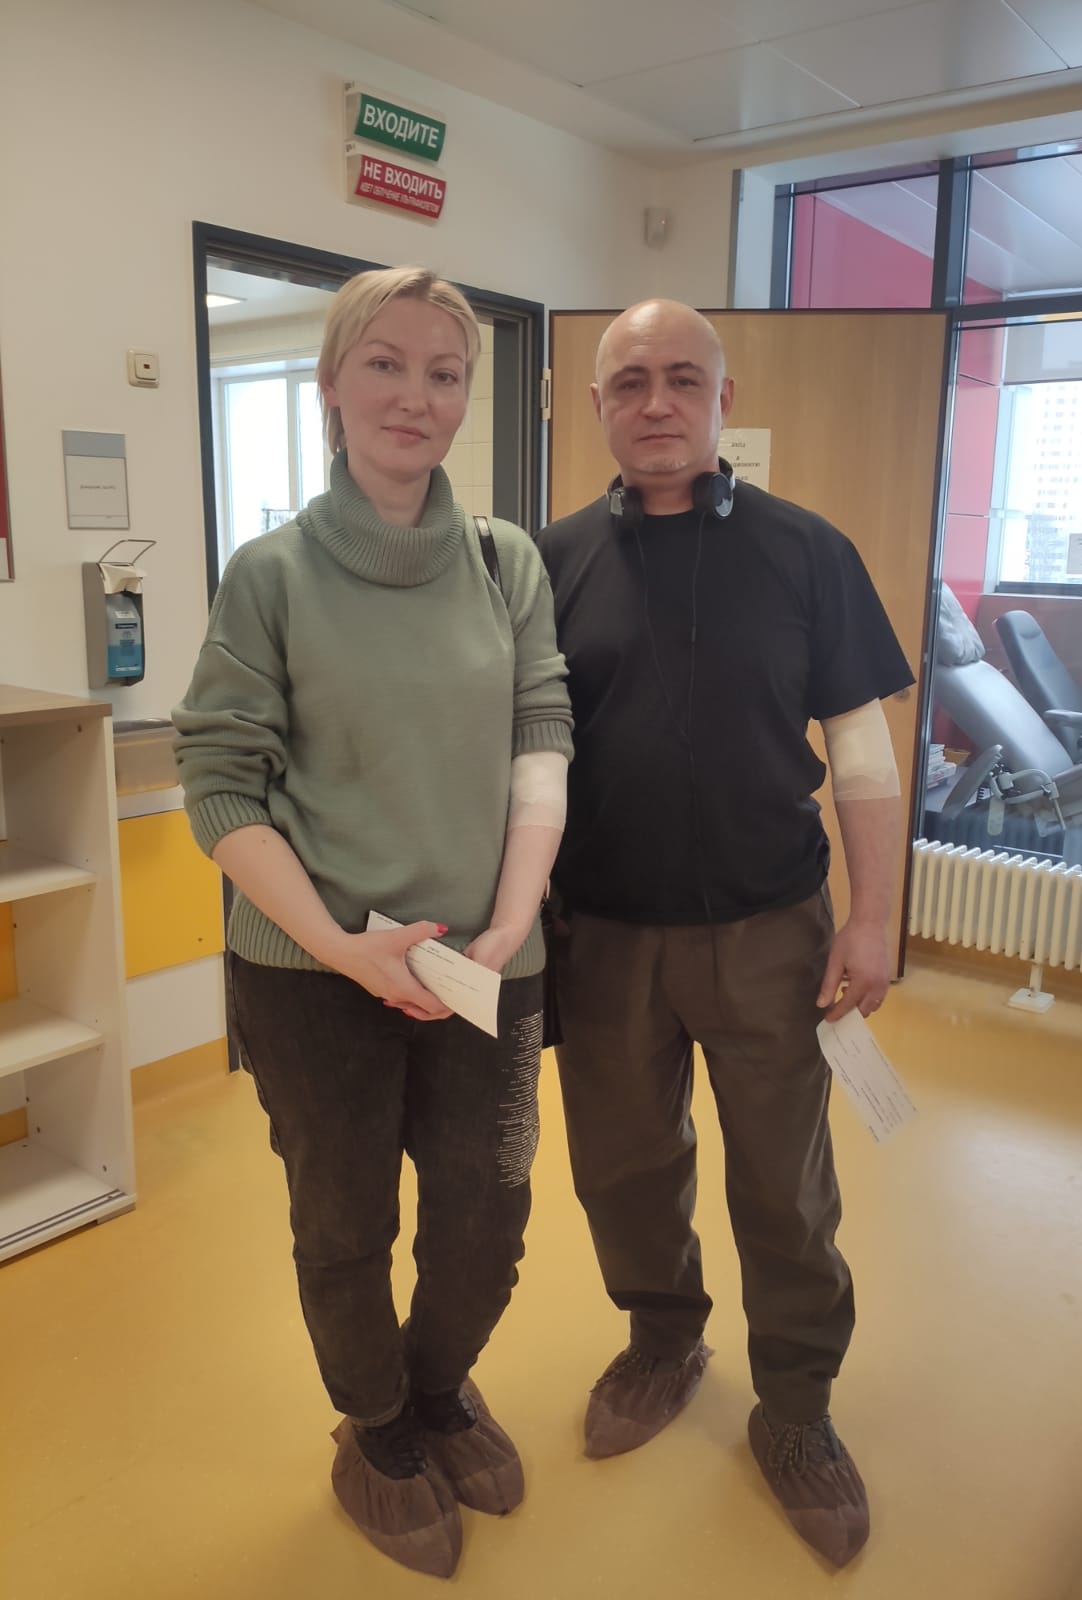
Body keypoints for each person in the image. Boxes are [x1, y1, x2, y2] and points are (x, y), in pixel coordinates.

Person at [173, 267, 572, 1579]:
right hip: (312, 973)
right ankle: (379, 1425)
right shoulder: (271, 575)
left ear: (467, 396)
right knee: (343, 1222)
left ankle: (440, 1388)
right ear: (332, 385)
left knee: (486, 1215)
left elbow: (541, 736)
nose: (415, 395)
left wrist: (512, 919)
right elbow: (221, 784)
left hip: (482, 963)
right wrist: (341, 945)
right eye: (385, 365)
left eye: (443, 373)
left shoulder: (506, 563)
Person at [535, 299, 912, 1570]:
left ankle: (796, 1408)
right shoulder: (548, 564)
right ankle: (662, 1339)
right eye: (630, 380)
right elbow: (521, 758)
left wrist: (873, 918)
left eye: (683, 379)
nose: (657, 402)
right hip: (604, 934)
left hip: (770, 931)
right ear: (597, 404)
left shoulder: (808, 552)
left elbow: (861, 753)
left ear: (722, 398)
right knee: (624, 1167)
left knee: (784, 1186)